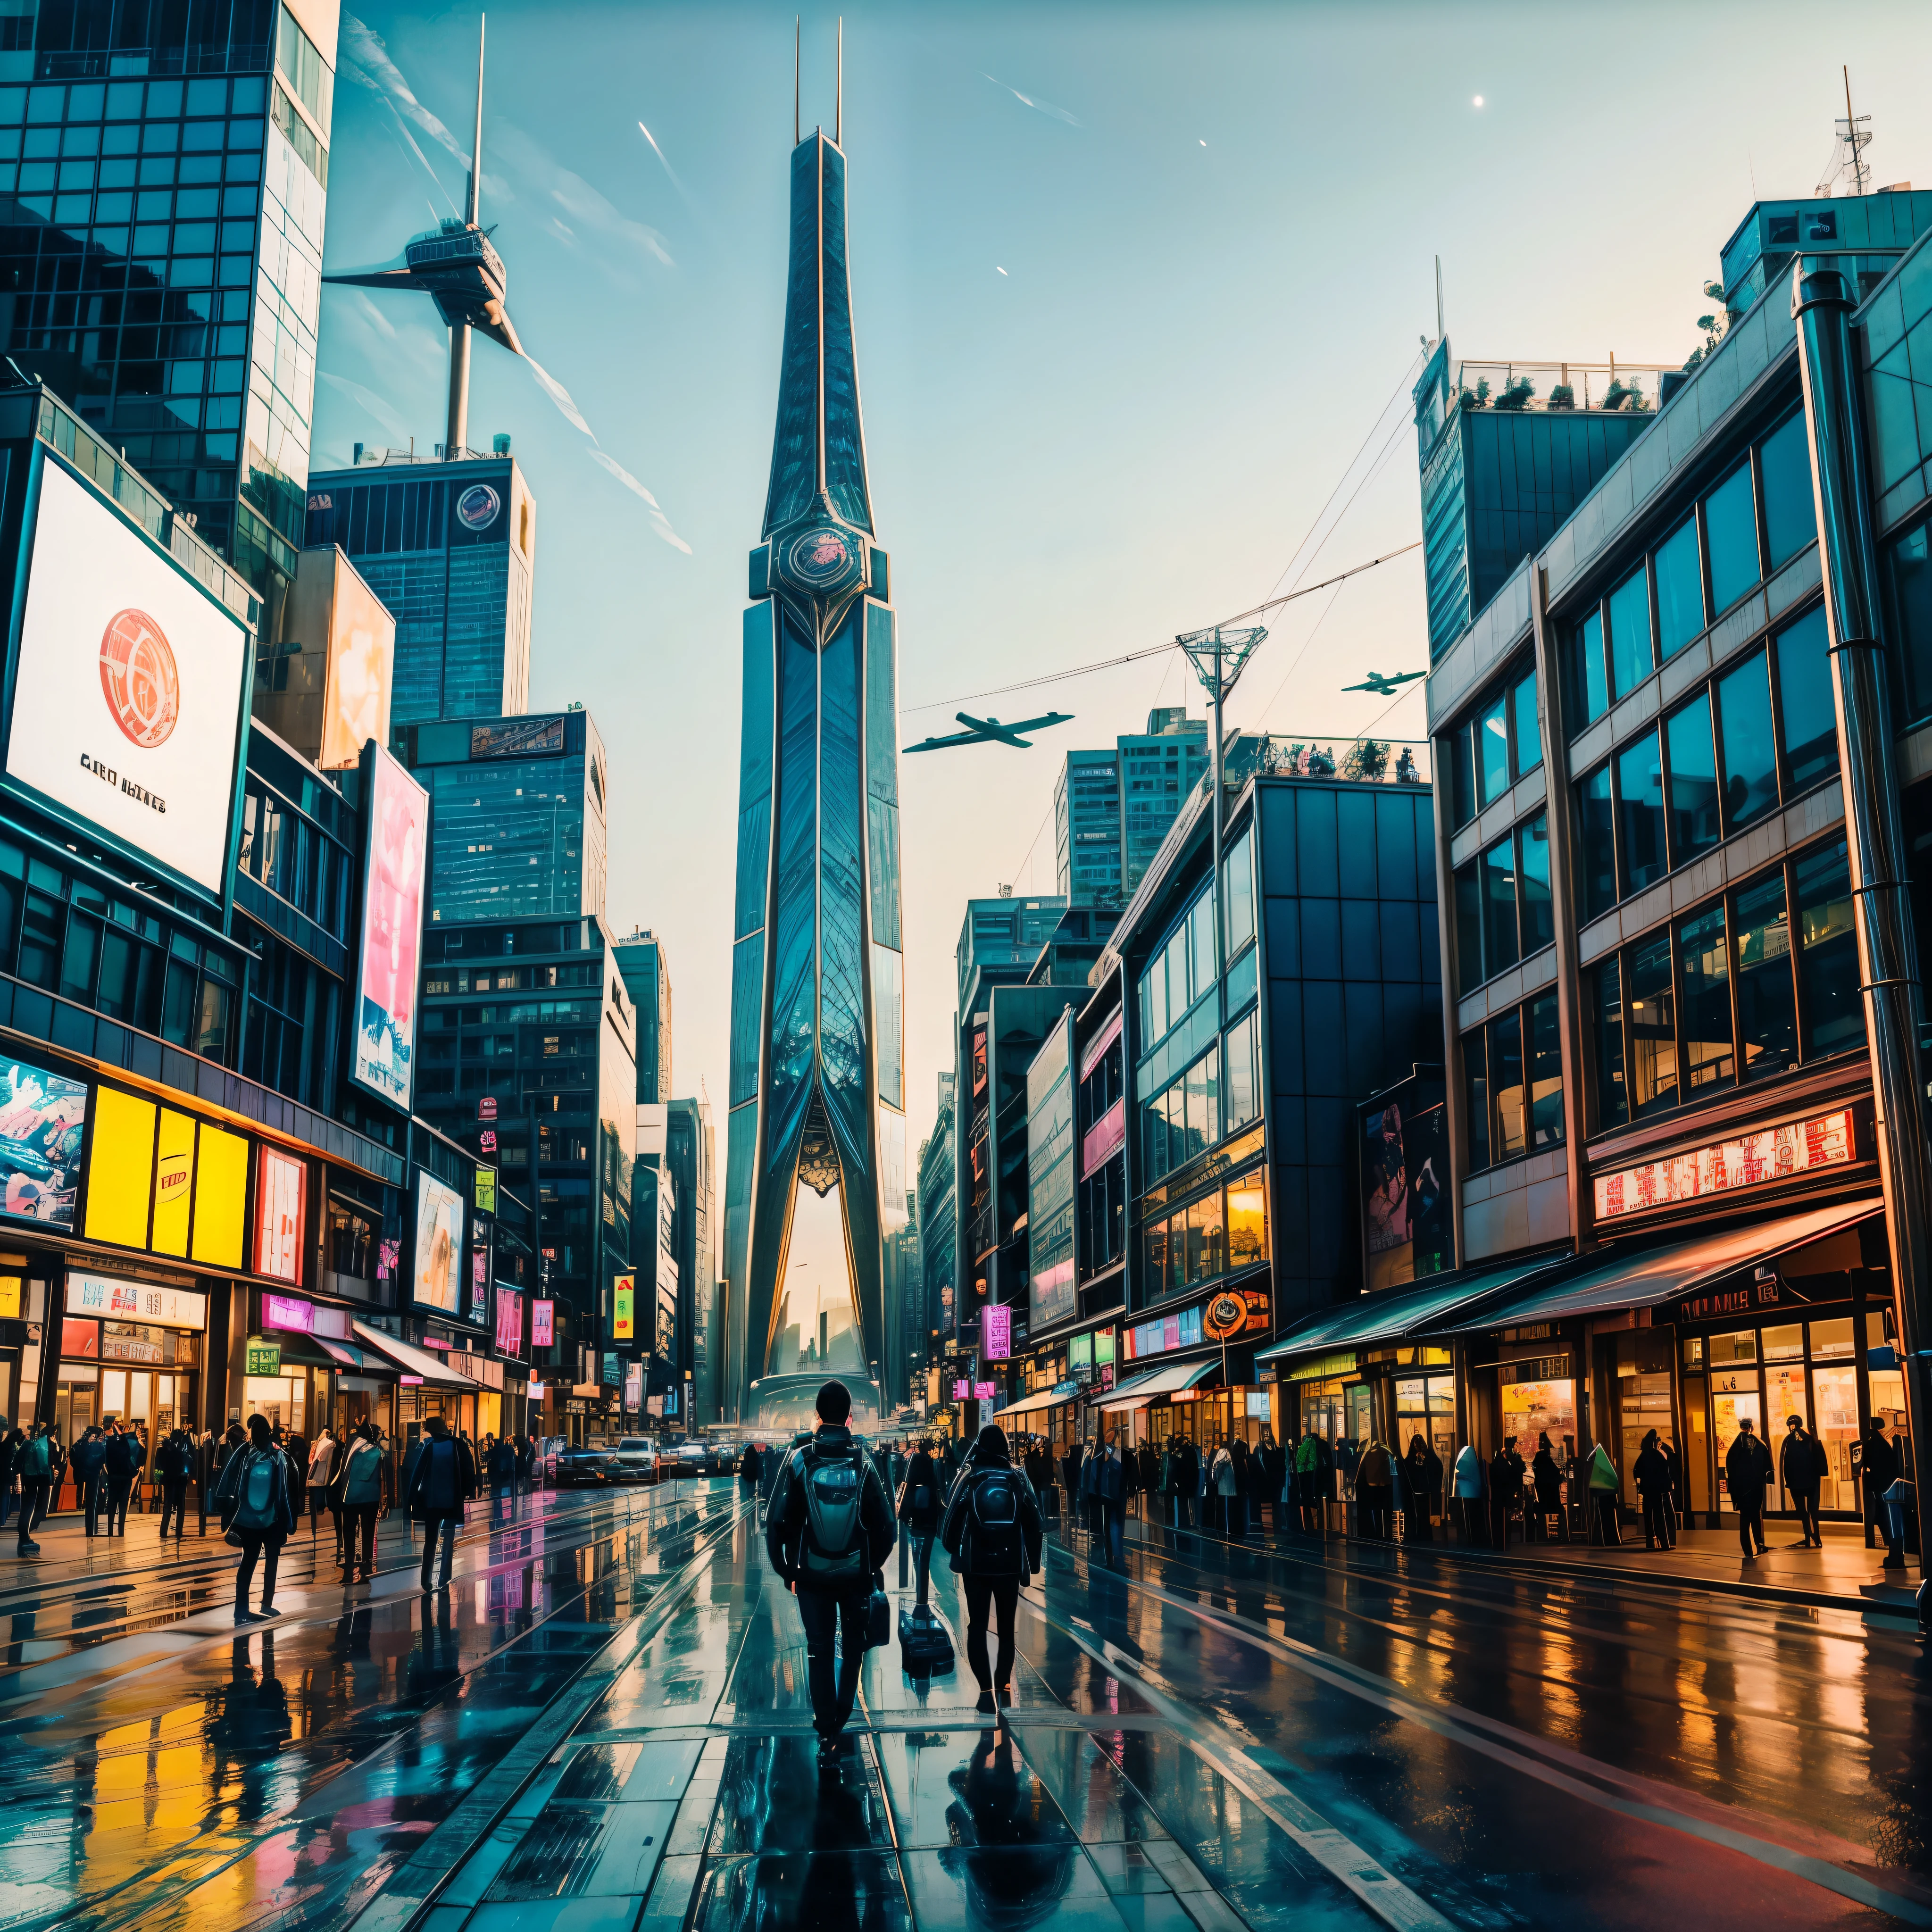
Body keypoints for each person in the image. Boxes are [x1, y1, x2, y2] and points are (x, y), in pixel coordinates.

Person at [764, 1380, 896, 1756]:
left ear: (818, 1417)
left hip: (812, 1578)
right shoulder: (864, 1462)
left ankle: (825, 1730)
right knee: (853, 1649)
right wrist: (871, 1567)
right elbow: (887, 1527)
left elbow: (776, 1523)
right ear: (849, 1417)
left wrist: (788, 1572)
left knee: (819, 1650)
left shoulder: (800, 1459)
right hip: (856, 1577)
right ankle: (841, 1717)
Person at [940, 1424, 1043, 1723]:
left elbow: (950, 1519)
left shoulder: (970, 1474)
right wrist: (1032, 1565)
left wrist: (954, 1550)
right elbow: (1035, 1521)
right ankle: (1004, 1685)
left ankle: (986, 1694)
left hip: (976, 1563)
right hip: (1009, 1565)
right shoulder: (1017, 1476)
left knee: (978, 1626)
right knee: (1007, 1627)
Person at [212, 1415, 297, 1624]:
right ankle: (261, 1605)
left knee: (249, 1563)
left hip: (252, 1519)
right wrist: (289, 1521)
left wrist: (225, 1508)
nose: (251, 1435)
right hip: (268, 1520)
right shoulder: (276, 1455)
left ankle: (244, 1608)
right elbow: (285, 1491)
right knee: (266, 1562)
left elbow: (230, 1479)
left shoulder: (253, 1452)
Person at [405, 1416, 477, 1591]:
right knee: (448, 1539)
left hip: (432, 1501)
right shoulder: (458, 1444)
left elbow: (417, 1474)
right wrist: (471, 1490)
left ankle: (426, 1580)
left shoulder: (429, 1446)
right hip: (452, 1499)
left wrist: (410, 1500)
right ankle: (444, 1578)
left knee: (430, 1541)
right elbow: (469, 1468)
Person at [898, 1436, 944, 1606]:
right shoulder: (930, 1464)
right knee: (924, 1554)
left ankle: (921, 1592)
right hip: (930, 1517)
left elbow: (907, 1484)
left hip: (917, 1517)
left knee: (919, 1554)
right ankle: (921, 1592)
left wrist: (903, 1513)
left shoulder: (916, 1461)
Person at [338, 1423, 385, 1582]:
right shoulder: (378, 1451)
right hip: (371, 1498)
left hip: (350, 1497)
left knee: (349, 1532)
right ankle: (366, 1566)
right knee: (368, 1533)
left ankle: (349, 1565)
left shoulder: (351, 1449)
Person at [1725, 1417, 1773, 1558]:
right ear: (1751, 1428)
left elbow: (1730, 1470)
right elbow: (1768, 1467)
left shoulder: (1735, 1447)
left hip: (1741, 1490)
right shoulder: (1760, 1445)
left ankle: (1748, 1551)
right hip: (1757, 1487)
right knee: (1756, 1517)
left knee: (1745, 1520)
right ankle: (1760, 1544)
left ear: (1741, 1427)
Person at [1862, 1418, 1903, 1567]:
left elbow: (1867, 1463)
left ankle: (1895, 1555)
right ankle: (1896, 1553)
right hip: (1892, 1484)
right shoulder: (1890, 1440)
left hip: (1882, 1486)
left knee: (1886, 1519)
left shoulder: (1873, 1443)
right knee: (1892, 1519)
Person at [13, 1420, 51, 1557]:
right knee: (28, 1509)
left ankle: (25, 1536)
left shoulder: (42, 1444)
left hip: (38, 1479)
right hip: (33, 1479)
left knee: (35, 1509)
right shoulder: (34, 1444)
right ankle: (24, 1538)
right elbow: (18, 1462)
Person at [1634, 1429, 1673, 1550]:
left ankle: (1650, 1541)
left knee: (1648, 1517)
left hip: (1646, 1490)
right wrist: (1668, 1487)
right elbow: (1665, 1471)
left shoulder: (1643, 1455)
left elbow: (1637, 1472)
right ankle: (1665, 1544)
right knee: (1659, 1516)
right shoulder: (1657, 1455)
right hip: (1656, 1490)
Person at [103, 1419, 143, 1534]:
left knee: (112, 1503)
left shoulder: (110, 1445)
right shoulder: (128, 1445)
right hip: (126, 1478)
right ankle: (121, 1530)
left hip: (114, 1477)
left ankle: (110, 1529)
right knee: (123, 1505)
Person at [155, 1428, 193, 1540]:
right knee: (180, 1506)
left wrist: (159, 1479)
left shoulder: (163, 1450)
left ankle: (164, 1531)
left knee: (168, 1505)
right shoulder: (180, 1451)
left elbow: (158, 1466)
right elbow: (184, 1463)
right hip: (178, 1480)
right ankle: (178, 1531)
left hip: (169, 1480)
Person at [1531, 1433, 1569, 1542]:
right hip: (1548, 1491)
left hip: (1545, 1490)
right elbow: (1552, 1472)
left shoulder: (1540, 1459)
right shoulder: (1544, 1459)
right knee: (1557, 1508)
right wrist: (1560, 1476)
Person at [1403, 1436, 1442, 1541]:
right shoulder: (1430, 1457)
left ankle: (1416, 1535)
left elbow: (1405, 1473)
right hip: (1427, 1491)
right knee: (1425, 1514)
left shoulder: (1410, 1459)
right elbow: (1439, 1467)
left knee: (1417, 1515)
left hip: (1414, 1492)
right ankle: (1426, 1536)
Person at [72, 1424, 108, 1536]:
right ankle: (92, 1530)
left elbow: (73, 1461)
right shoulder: (98, 1447)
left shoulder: (78, 1445)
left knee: (87, 1503)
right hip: (94, 1476)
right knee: (93, 1503)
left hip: (81, 1476)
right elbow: (103, 1460)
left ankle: (90, 1529)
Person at [1356, 1437, 1393, 1540]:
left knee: (1375, 1513)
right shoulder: (1388, 1452)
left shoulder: (1369, 1454)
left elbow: (1361, 1477)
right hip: (1386, 1488)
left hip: (1371, 1489)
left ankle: (1377, 1534)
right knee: (1386, 1514)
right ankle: (1386, 1534)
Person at [1585, 1442, 1622, 1546]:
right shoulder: (1606, 1467)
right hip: (1608, 1495)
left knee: (1604, 1519)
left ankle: (1605, 1540)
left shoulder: (1595, 1466)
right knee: (1610, 1519)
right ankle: (1612, 1540)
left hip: (1601, 1496)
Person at [1452, 1441, 1485, 1544]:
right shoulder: (1471, 1460)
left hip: (1466, 1494)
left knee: (1468, 1516)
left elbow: (1459, 1471)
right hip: (1471, 1494)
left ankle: (1469, 1539)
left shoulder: (1465, 1460)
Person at [1210, 1436, 1243, 1541]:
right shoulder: (1227, 1452)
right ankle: (1228, 1531)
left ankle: (1224, 1531)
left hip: (1223, 1487)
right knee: (1228, 1510)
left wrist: (1214, 1479)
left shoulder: (1221, 1452)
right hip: (1229, 1487)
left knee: (1224, 1510)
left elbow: (1215, 1468)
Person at [308, 1430, 337, 1537]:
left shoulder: (317, 1444)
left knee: (316, 1505)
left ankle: (315, 1527)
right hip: (323, 1477)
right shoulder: (329, 1445)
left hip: (315, 1477)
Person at [485, 1434, 518, 1521]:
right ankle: (500, 1514)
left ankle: (498, 1514)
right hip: (501, 1478)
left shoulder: (495, 1452)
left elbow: (487, 1457)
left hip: (497, 1478)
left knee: (497, 1497)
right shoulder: (505, 1452)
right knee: (500, 1497)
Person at [740, 1438, 765, 1521]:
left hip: (745, 1477)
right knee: (750, 1491)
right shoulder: (757, 1458)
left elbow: (742, 1469)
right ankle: (749, 1506)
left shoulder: (746, 1458)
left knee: (744, 1492)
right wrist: (761, 1477)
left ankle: (744, 1504)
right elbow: (760, 1468)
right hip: (752, 1478)